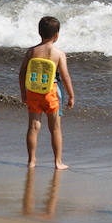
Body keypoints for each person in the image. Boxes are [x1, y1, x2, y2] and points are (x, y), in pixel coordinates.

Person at [17, 16, 75, 169]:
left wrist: (23, 92)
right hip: (51, 93)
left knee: (33, 126)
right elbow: (65, 76)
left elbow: (22, 73)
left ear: (39, 32)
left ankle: (31, 161)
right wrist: (71, 95)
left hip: (33, 92)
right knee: (55, 128)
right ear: (56, 35)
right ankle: (58, 162)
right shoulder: (58, 54)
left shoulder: (32, 51)